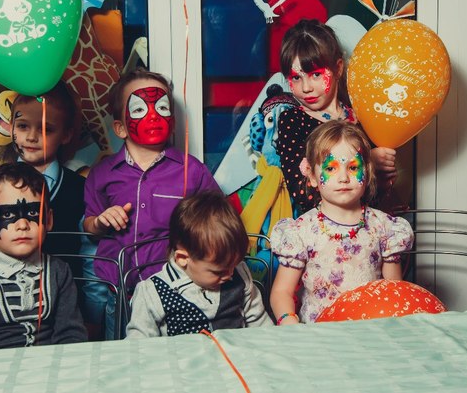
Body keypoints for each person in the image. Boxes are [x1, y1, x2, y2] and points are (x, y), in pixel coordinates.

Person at [0, 82, 106, 337]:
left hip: (67, 313)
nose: (32, 137)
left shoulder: (81, 189)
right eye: (23, 126)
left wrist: (94, 312)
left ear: (66, 135)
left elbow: (91, 255)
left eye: (46, 129)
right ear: (11, 127)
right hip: (5, 315)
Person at [83, 68, 219, 337]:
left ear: (173, 122)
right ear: (120, 128)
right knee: (122, 356)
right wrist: (100, 221)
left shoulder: (192, 171)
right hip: (120, 295)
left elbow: (217, 221)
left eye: (162, 107)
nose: (154, 116)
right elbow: (89, 225)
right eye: (139, 109)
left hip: (177, 293)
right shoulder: (102, 174)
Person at [270, 120, 413, 324]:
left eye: (353, 167)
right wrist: (288, 321)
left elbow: (393, 290)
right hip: (318, 333)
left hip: (369, 329)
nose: (344, 177)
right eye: (331, 168)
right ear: (312, 176)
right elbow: (281, 291)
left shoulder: (384, 227)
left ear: (368, 172)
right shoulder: (301, 231)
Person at [0, 162, 87, 352]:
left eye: (32, 212)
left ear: (49, 220)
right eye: (7, 214)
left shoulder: (59, 272)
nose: (22, 224)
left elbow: (71, 337)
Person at [276, 19, 397, 214]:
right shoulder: (292, 121)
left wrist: (383, 181)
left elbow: (374, 199)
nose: (306, 87)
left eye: (316, 74)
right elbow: (303, 194)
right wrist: (367, 162)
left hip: (365, 225)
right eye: (296, 78)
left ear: (338, 68)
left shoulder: (364, 116)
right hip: (321, 228)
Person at [126, 191, 272, 337]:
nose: (230, 274)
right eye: (219, 272)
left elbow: (259, 323)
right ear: (183, 258)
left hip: (235, 350)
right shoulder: (152, 292)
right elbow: (139, 344)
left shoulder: (240, 274)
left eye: (234, 265)